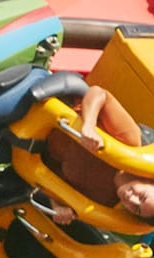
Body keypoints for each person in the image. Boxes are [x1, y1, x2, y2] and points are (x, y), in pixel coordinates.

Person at [38, 83, 154, 222]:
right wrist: (89, 125)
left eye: (135, 209)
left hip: (32, 143)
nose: (131, 199)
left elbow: (51, 179)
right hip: (48, 103)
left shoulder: (104, 201)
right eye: (142, 197)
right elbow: (99, 94)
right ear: (150, 180)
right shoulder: (130, 143)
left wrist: (57, 205)